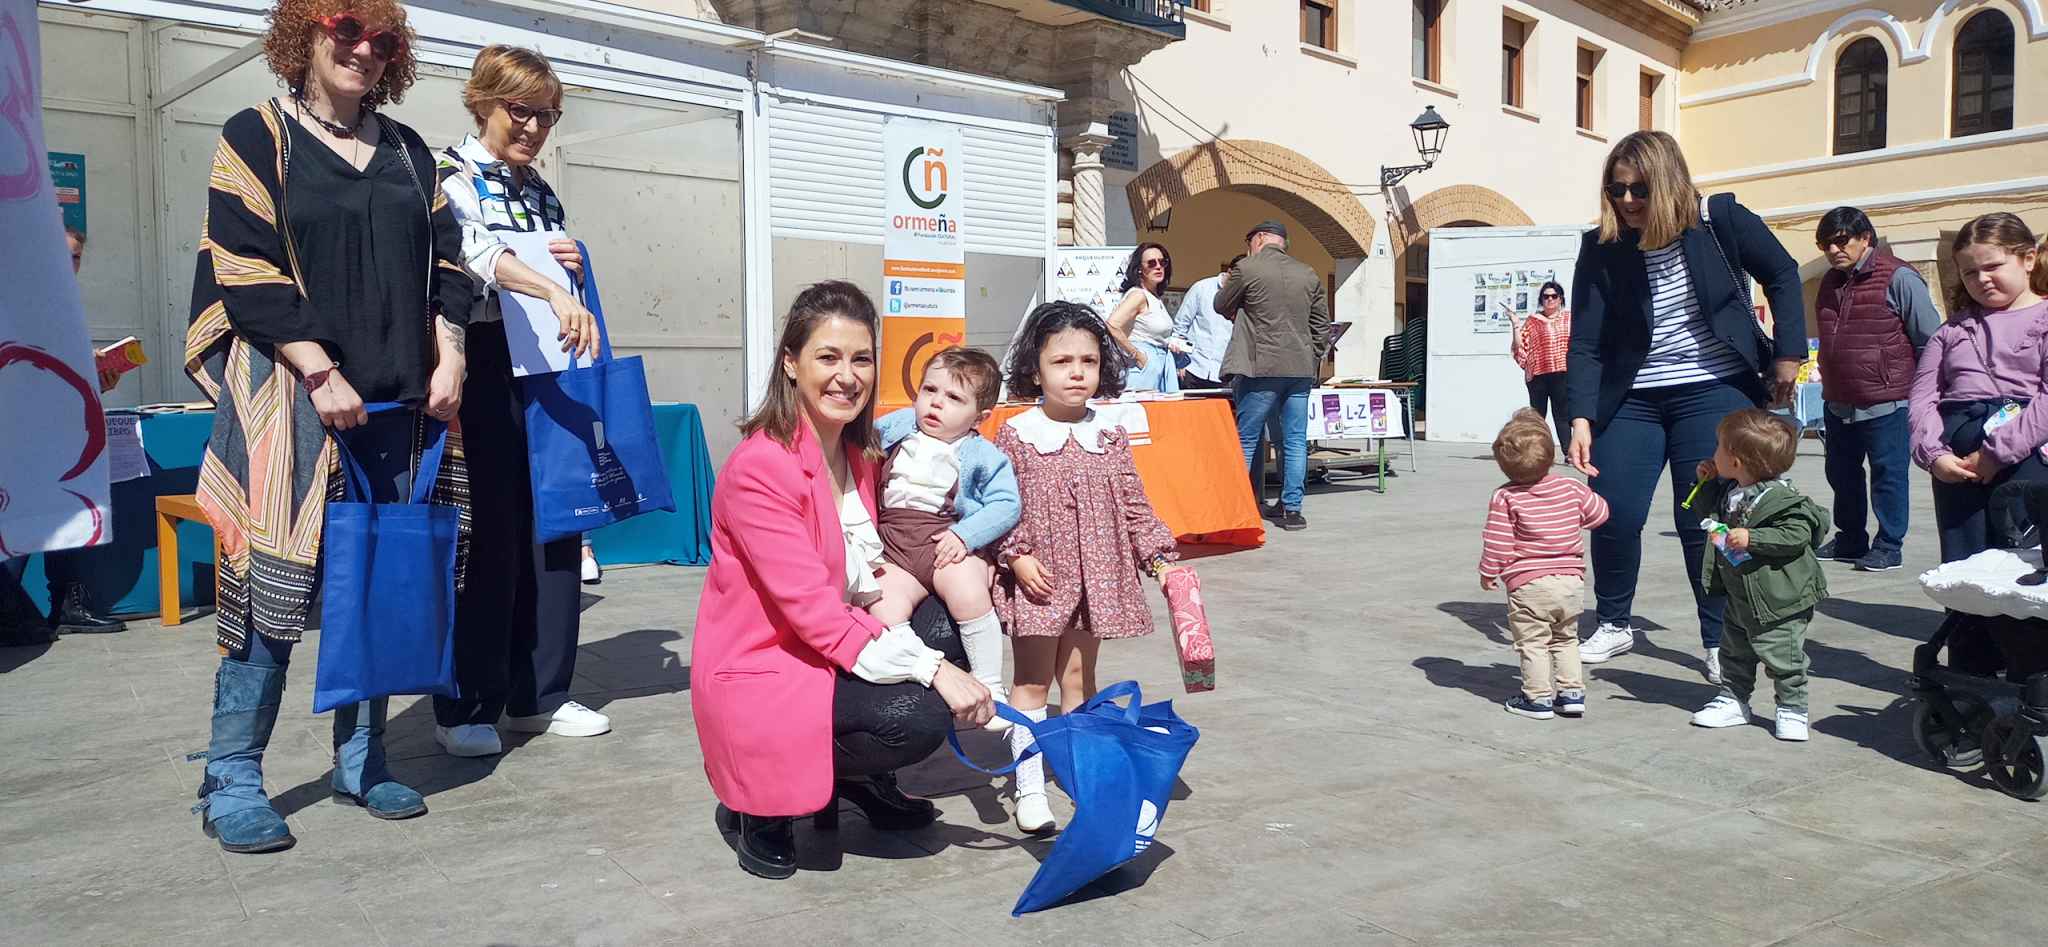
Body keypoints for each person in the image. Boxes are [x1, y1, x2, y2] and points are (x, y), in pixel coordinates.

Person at [184, 0, 474, 854]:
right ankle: (230, 774)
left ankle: (361, 756)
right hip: (293, 400)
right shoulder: (255, 134)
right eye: (346, 29)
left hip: (396, 407)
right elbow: (243, 267)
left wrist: (449, 354)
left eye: (383, 40)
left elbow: (449, 261)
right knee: (268, 595)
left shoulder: (410, 152)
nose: (364, 50)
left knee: (379, 584)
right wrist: (318, 365)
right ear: (303, 37)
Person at [691, 281, 993, 881]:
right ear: (790, 363)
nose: (846, 377)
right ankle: (759, 805)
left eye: (860, 359)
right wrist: (935, 670)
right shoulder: (761, 468)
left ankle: (853, 776)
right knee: (915, 711)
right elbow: (813, 614)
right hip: (770, 663)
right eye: (827, 357)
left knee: (951, 606)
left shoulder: (860, 453)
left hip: (836, 641)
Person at [1564, 131, 1805, 683]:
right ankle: (1615, 621)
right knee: (1614, 510)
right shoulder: (1601, 246)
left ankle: (1717, 638)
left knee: (1700, 515)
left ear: (1668, 181)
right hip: (1631, 398)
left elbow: (1785, 272)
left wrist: (1789, 355)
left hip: (1712, 388)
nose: (1627, 202)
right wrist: (1580, 416)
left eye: (1640, 189)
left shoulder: (1719, 220)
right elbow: (1586, 339)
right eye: (1616, 189)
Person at [431, 44, 608, 758]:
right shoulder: (446, 173)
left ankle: (540, 693)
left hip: (546, 363)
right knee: (489, 532)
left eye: (548, 116)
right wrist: (551, 286)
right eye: (521, 111)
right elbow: (475, 253)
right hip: (477, 362)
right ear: (482, 101)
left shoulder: (541, 189)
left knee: (557, 525)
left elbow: (551, 258)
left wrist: (574, 262)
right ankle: (465, 701)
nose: (534, 128)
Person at [995, 300, 1182, 834]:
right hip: (1040, 579)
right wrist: (1017, 553)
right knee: (1032, 680)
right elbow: (999, 502)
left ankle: (1084, 776)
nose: (1076, 372)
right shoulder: (1017, 433)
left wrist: (1161, 560)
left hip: (1096, 578)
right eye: (1061, 362)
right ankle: (1029, 788)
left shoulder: (1111, 432)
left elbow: (1133, 502)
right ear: (1035, 368)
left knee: (1079, 677)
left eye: (1088, 360)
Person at [869, 348, 1020, 722]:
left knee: (970, 593)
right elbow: (859, 445)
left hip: (943, 540)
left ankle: (988, 685)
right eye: (929, 390)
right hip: (892, 544)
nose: (936, 403)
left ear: (980, 417)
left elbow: (1006, 505)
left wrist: (966, 536)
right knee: (882, 607)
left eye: (954, 398)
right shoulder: (897, 426)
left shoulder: (981, 453)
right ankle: (920, 677)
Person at [0, 228, 127, 644]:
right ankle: (8, 612)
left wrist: (97, 380)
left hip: (56, 430)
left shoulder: (63, 305)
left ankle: (68, 604)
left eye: (75, 257)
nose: (68, 264)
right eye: (62, 254)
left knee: (71, 507)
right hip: (15, 431)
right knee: (17, 515)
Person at [1908, 213, 2048, 563]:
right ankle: (1964, 619)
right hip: (1955, 461)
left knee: (2020, 559)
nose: (1982, 279)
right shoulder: (1951, 331)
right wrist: (1933, 453)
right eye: (1970, 272)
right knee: (1962, 560)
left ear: (2028, 259)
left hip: (2026, 454)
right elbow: (1924, 396)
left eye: (1993, 266)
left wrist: (1995, 453)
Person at [1811, 206, 1941, 573]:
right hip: (1838, 400)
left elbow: (1930, 339)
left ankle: (1888, 545)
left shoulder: (1898, 276)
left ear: (1865, 237)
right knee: (1842, 474)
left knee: (1888, 474)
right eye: (1825, 244)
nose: (1834, 250)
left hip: (1888, 400)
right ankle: (1851, 539)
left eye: (1841, 240)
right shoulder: (1829, 282)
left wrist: (1923, 394)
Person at [1686, 410, 1828, 742]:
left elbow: (1798, 534)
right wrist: (1704, 485)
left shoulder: (1781, 498)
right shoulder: (1731, 490)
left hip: (1779, 600)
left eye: (1719, 448)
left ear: (1736, 461)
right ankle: (1734, 699)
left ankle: (1793, 708)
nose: (1714, 452)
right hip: (1741, 594)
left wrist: (1755, 538)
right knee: (1733, 651)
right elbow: (1707, 516)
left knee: (1784, 656)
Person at [1479, 409, 1610, 720]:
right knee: (1565, 638)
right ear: (1551, 457)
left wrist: (1488, 572)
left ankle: (1537, 699)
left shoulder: (1505, 497)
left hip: (1529, 583)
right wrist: (1584, 494)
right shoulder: (1570, 487)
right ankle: (1572, 694)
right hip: (1570, 582)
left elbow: (1497, 542)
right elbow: (1600, 514)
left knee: (1533, 642)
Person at [1216, 221, 1330, 532]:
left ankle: (1237, 508)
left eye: (1249, 241)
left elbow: (1220, 304)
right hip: (1299, 370)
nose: (1248, 247)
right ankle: (1292, 509)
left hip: (1260, 367)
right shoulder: (1308, 273)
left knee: (1247, 438)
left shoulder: (1248, 268)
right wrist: (1311, 354)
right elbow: (1322, 325)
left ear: (1260, 239)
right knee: (1294, 441)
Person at [1106, 243, 1179, 393]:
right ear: (1139, 269)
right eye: (1152, 263)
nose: (1158, 267)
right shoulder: (1138, 295)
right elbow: (1111, 325)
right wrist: (1138, 355)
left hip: (1159, 364)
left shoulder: (1154, 297)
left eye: (1162, 262)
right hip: (1143, 367)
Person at [1511, 281, 1572, 451]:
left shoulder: (1569, 319)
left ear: (1560, 299)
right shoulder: (1532, 321)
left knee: (1562, 416)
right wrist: (1515, 324)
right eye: (1546, 296)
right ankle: (1537, 451)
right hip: (1538, 375)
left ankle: (1568, 452)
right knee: (1537, 417)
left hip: (1562, 373)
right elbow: (1519, 346)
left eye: (1554, 296)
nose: (1550, 299)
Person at [1170, 255, 1242, 390]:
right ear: (1230, 271)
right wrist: (1179, 363)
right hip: (1193, 368)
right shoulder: (1202, 288)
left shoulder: (1245, 296)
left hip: (1224, 374)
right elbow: (1180, 326)